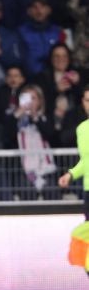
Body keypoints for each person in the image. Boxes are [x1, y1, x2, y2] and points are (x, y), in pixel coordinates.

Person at [59, 85, 89, 221]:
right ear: (83, 102)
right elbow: (86, 160)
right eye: (88, 100)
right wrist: (71, 174)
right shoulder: (82, 129)